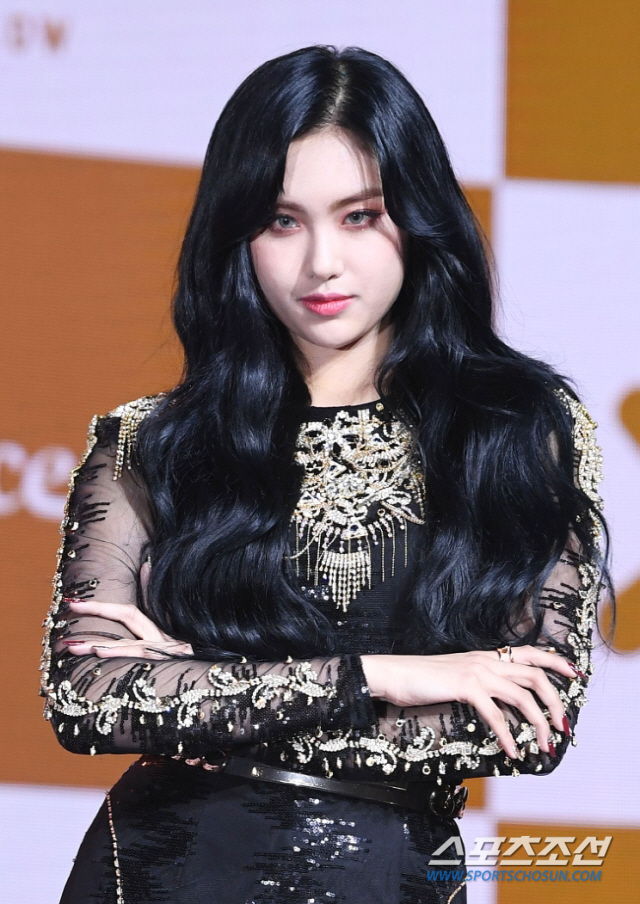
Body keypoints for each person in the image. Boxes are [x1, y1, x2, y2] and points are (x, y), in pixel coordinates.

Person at [41, 45, 609, 904]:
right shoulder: (152, 443)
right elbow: (87, 700)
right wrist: (381, 675)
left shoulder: (521, 431)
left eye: (359, 216)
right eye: (281, 221)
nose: (321, 264)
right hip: (159, 873)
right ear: (236, 233)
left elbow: (530, 726)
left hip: (389, 878)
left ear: (418, 218)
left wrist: (206, 686)